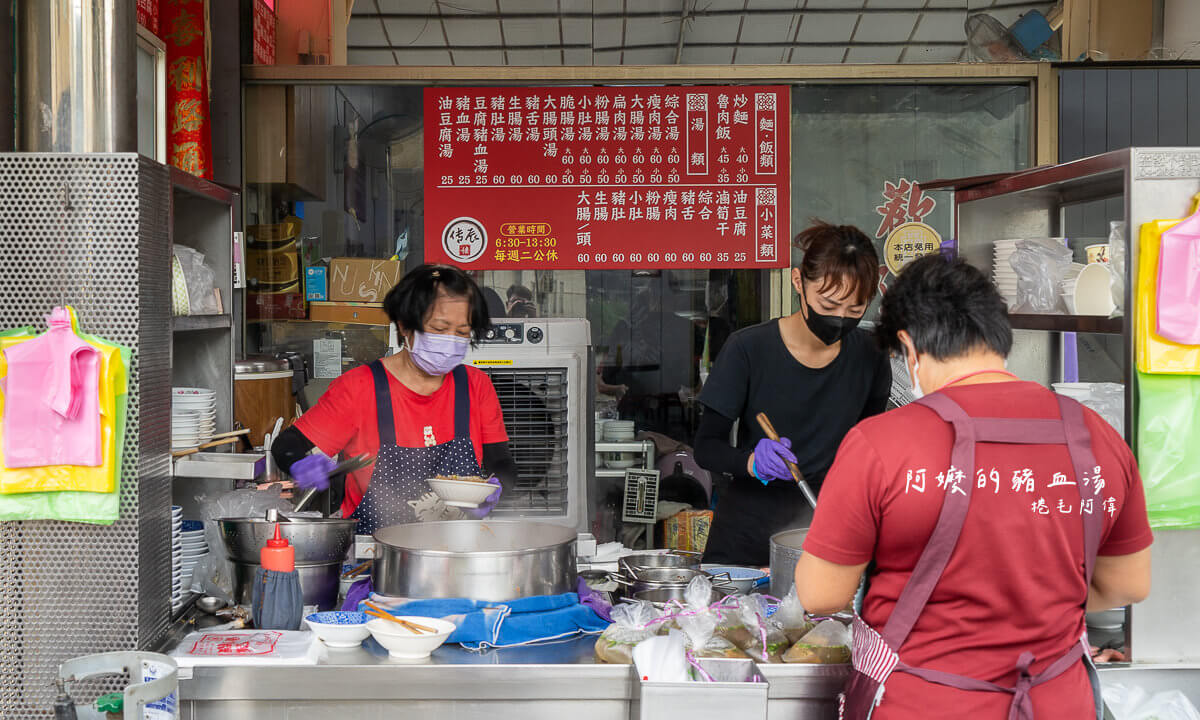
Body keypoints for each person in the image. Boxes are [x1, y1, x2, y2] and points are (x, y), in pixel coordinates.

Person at [795, 255, 1153, 720]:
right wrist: (1029, 596)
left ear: (909, 346)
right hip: (1057, 704)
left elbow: (821, 595)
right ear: (998, 335)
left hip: (925, 705)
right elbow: (1129, 583)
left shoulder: (880, 443)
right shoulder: (1096, 436)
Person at [694, 222, 891, 565]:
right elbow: (706, 448)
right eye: (828, 305)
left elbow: (872, 445)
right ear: (798, 281)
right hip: (745, 535)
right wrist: (752, 462)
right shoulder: (748, 349)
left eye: (855, 310)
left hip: (825, 529)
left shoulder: (870, 355)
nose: (840, 319)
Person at [271, 264, 518, 534]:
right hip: (377, 555)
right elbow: (287, 444)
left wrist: (497, 488)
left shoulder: (475, 385)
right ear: (404, 325)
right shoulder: (360, 387)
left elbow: (501, 463)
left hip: (456, 549)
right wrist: (300, 462)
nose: (451, 341)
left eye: (461, 332)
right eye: (439, 328)